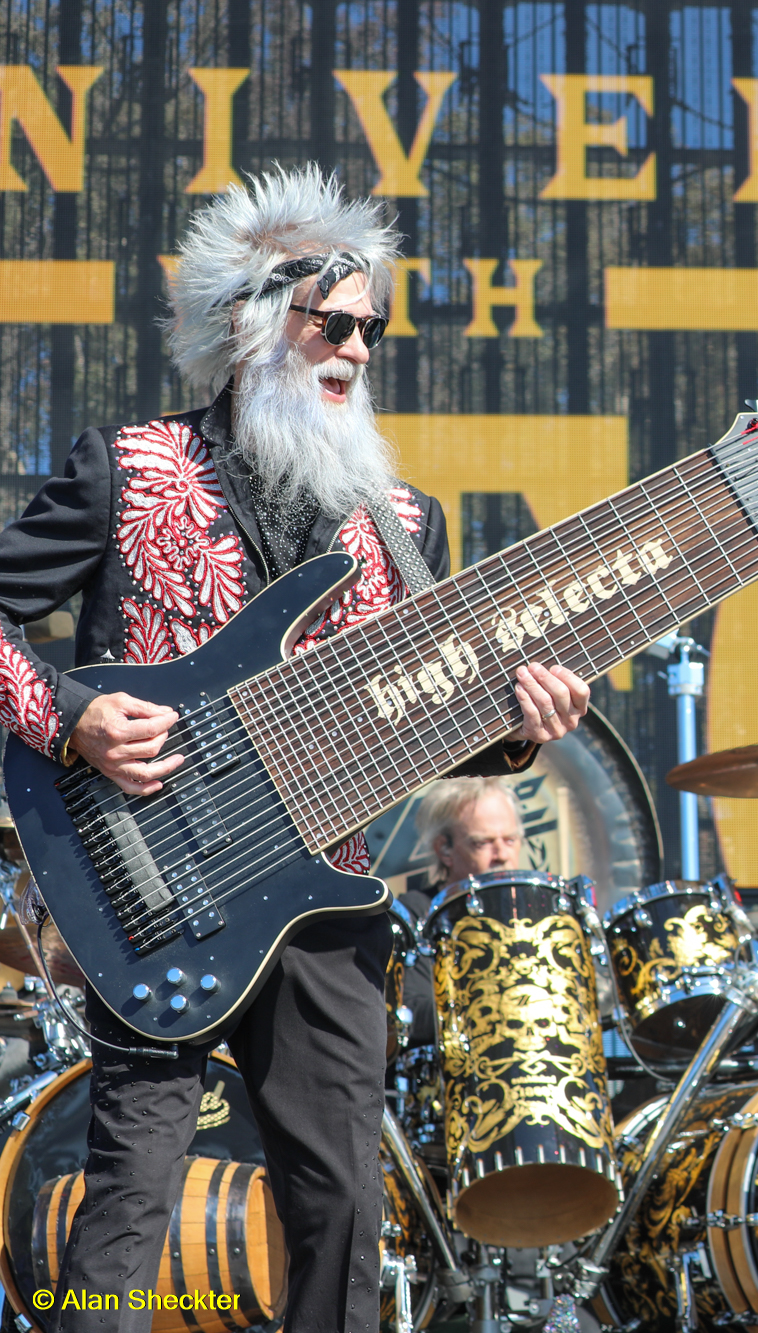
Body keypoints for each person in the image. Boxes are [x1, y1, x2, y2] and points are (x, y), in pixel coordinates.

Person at [0, 167, 592, 1333]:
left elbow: (441, 709)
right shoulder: (125, 469)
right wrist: (66, 714)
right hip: (155, 887)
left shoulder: (405, 522)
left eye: (372, 327)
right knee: (128, 1201)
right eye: (335, 321)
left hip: (325, 900)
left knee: (343, 1209)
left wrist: (517, 723)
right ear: (252, 320)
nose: (359, 348)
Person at [395, 776, 529, 1047]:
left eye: (510, 840)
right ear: (444, 849)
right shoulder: (417, 914)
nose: (501, 854)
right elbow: (409, 1010)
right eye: (482, 843)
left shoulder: (540, 915)